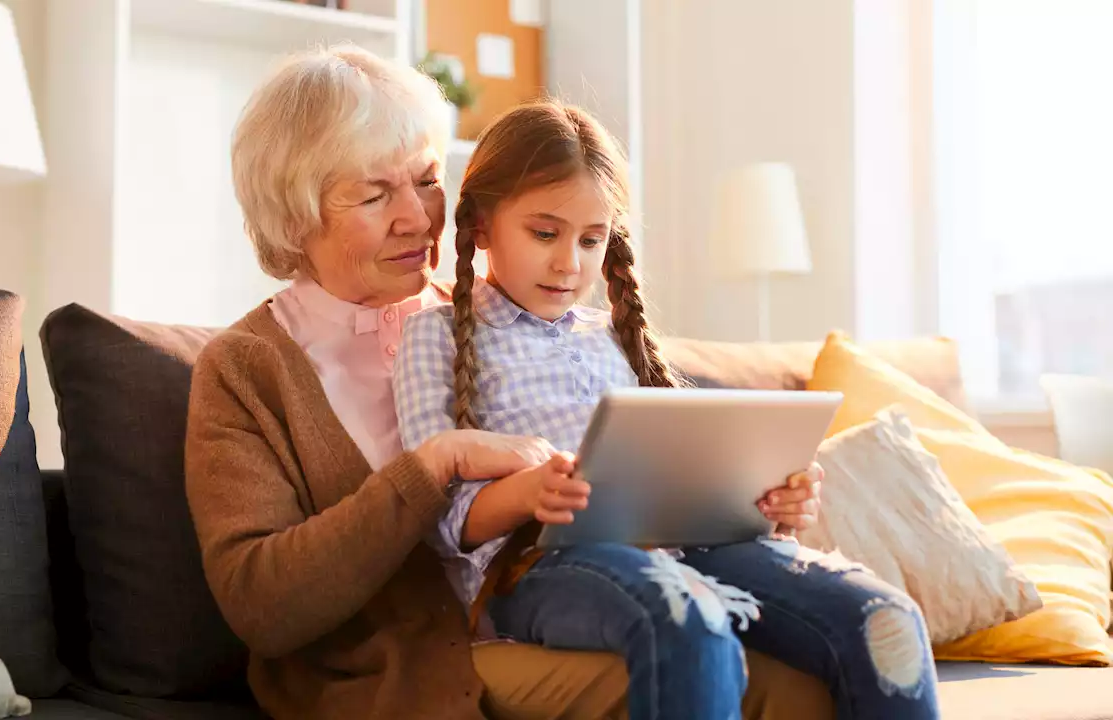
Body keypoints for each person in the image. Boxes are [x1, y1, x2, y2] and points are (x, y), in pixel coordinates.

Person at [184, 44, 834, 720]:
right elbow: (261, 606)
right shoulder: (245, 369)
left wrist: (749, 495)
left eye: (428, 180)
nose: (418, 217)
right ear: (294, 216)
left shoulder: (499, 313)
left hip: (565, 599)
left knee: (813, 674)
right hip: (418, 667)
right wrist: (432, 464)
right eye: (376, 194)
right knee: (767, 690)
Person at [393, 100, 942, 720]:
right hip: (540, 567)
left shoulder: (617, 336)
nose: (569, 263)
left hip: (689, 548)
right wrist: (528, 493)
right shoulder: (433, 336)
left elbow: (692, 478)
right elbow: (434, 520)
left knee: (885, 619)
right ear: (483, 222)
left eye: (590, 239)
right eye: (544, 233)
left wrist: (771, 503)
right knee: (688, 620)